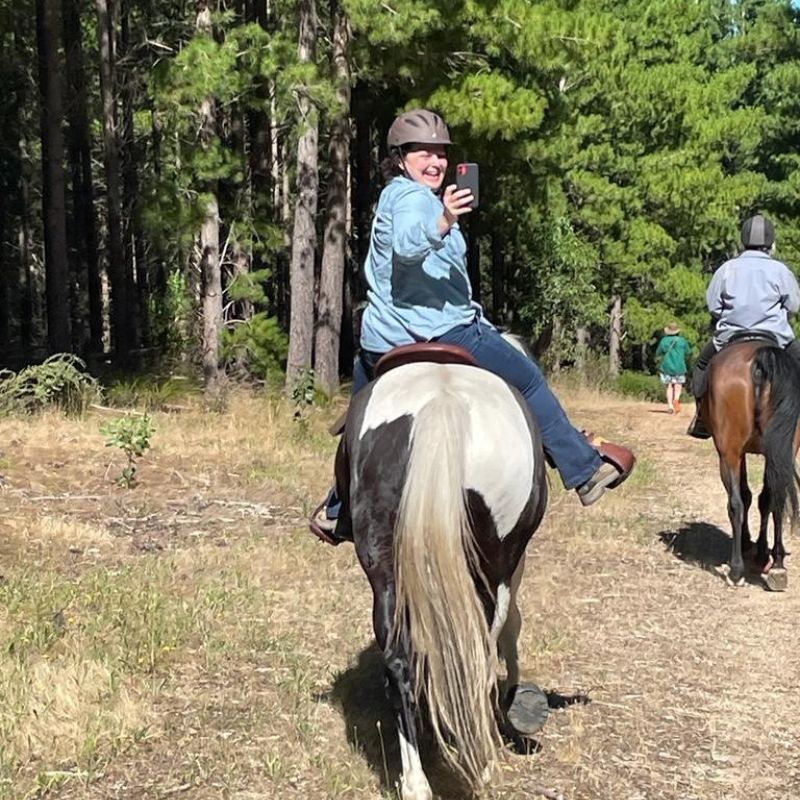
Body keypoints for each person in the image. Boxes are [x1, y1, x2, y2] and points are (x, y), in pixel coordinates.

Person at [311, 109, 635, 543]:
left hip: (382, 338)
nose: (435, 161)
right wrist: (443, 220)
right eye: (422, 152)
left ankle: (338, 507)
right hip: (445, 331)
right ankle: (584, 469)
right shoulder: (414, 200)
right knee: (529, 381)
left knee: (358, 422)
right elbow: (409, 246)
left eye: (441, 153)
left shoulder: (397, 195)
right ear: (400, 158)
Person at [687, 213, 800, 439]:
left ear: (743, 241)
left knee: (701, 367)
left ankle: (701, 416)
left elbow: (713, 305)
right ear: (771, 243)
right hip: (776, 338)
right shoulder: (780, 270)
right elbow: (794, 305)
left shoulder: (727, 269)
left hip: (731, 337)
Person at [655, 323, 691, 414]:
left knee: (669, 386)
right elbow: (688, 352)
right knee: (678, 385)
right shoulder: (682, 341)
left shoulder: (664, 341)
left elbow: (658, 352)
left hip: (666, 367)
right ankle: (676, 399)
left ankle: (670, 406)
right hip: (679, 367)